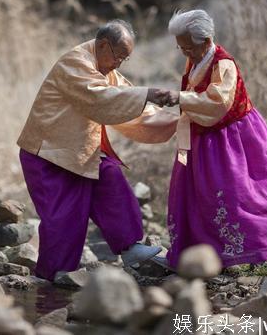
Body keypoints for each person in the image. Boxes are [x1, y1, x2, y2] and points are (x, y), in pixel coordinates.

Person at [158, 9, 267, 269]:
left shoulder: (224, 64)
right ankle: (209, 253)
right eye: (181, 48)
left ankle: (266, 246)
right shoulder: (196, 59)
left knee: (242, 193)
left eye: (188, 48)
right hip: (202, 137)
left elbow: (219, 101)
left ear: (207, 40)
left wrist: (181, 98)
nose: (185, 54)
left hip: (234, 138)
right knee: (201, 196)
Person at [17, 19, 178, 281]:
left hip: (79, 154)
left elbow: (127, 101)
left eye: (124, 60)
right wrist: (146, 93)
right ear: (103, 45)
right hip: (48, 155)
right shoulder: (76, 63)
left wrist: (175, 120)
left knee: (110, 176)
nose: (119, 64)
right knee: (63, 222)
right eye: (119, 57)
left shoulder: (104, 68)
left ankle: (130, 247)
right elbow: (101, 100)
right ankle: (52, 281)